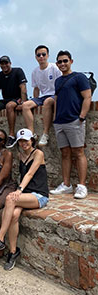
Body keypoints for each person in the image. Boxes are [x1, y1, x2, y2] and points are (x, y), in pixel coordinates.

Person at [0, 128, 49, 271]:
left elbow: (30, 174)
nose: (23, 143)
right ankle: (13, 252)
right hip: (26, 194)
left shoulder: (38, 153)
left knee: (10, 199)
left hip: (39, 195)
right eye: (20, 141)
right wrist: (19, 191)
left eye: (26, 140)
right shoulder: (20, 155)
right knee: (13, 215)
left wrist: (18, 190)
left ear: (32, 140)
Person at [50, 50, 91, 199]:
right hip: (60, 122)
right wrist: (55, 118)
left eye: (65, 61)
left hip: (74, 120)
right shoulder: (58, 81)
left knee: (79, 152)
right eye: (59, 61)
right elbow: (56, 100)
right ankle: (66, 184)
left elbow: (87, 97)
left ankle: (82, 186)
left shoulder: (79, 77)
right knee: (65, 154)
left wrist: (81, 117)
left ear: (71, 61)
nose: (62, 64)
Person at [0, 56, 27, 148]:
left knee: (9, 106)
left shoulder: (18, 71)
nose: (4, 65)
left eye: (6, 63)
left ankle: (11, 135)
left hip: (16, 98)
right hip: (5, 99)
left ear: (10, 63)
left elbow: (23, 87)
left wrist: (23, 102)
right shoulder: (0, 75)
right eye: (2, 64)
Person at [22, 45, 61, 146]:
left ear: (47, 55)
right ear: (36, 57)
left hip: (54, 95)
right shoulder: (35, 72)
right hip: (42, 97)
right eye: (38, 55)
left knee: (47, 102)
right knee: (25, 105)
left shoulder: (54, 68)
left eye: (43, 54)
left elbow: (61, 83)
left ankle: (45, 133)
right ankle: (31, 133)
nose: (41, 57)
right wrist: (34, 101)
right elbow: (36, 88)